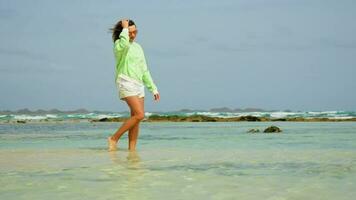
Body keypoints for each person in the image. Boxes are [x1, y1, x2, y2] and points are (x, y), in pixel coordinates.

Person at [108, 19, 160, 151]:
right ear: (123, 32)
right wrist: (125, 28)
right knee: (140, 115)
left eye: (135, 32)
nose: (133, 35)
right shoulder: (119, 44)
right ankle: (114, 138)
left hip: (139, 84)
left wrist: (153, 88)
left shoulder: (138, 47)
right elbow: (124, 45)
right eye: (130, 32)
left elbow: (144, 69)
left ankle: (132, 150)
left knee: (136, 119)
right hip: (125, 81)